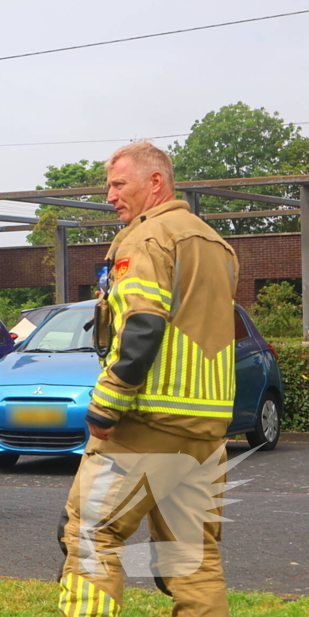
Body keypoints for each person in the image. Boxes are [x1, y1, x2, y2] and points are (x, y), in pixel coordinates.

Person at [58, 142, 239, 617]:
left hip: (149, 420)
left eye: (120, 184)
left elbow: (143, 323)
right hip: (207, 430)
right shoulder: (218, 246)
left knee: (92, 535)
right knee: (192, 558)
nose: (111, 196)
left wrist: (107, 403)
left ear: (155, 182)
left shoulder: (146, 239)